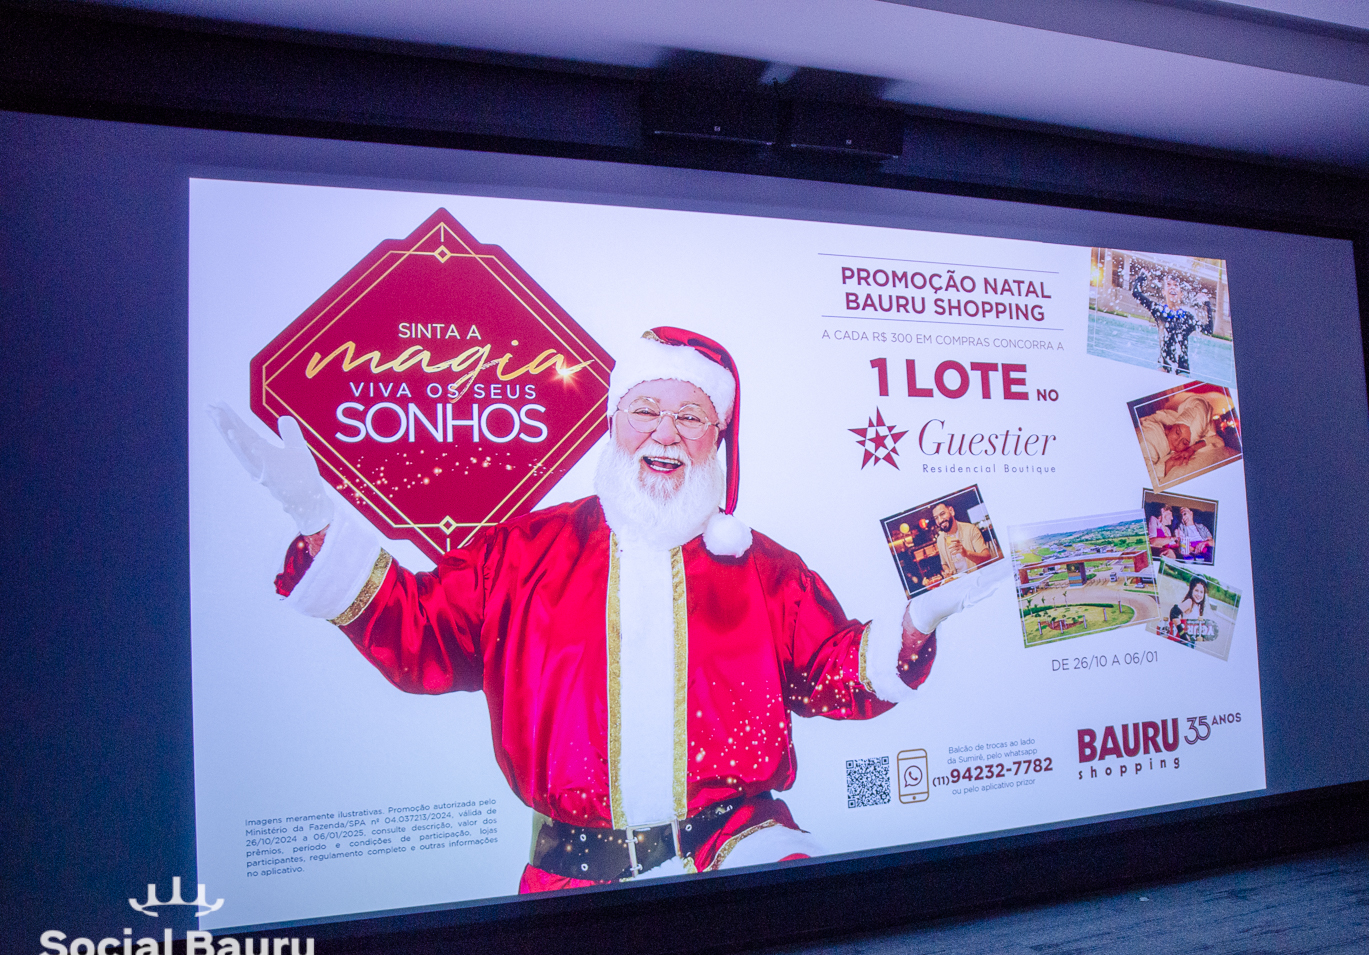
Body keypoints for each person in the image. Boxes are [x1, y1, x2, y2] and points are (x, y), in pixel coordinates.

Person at [209, 327, 1003, 891]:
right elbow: (424, 634)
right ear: (614, 424)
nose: (665, 433)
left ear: (717, 440)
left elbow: (832, 675)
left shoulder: (759, 567)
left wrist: (918, 621)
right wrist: (318, 518)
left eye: (690, 416)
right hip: (575, 874)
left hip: (740, 848)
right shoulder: (524, 553)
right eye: (644, 411)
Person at [1131, 267, 1213, 376]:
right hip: (1163, 365)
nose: (1172, 287)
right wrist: (1141, 277)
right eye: (1168, 285)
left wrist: (1207, 304)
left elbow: (1208, 330)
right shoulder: (1159, 311)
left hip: (1182, 368)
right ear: (1164, 292)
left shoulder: (1187, 317)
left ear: (1181, 294)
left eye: (1176, 285)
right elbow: (1136, 293)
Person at [931, 503, 993, 578]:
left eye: (942, 514)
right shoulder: (940, 540)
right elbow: (944, 564)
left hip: (978, 577)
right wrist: (947, 571)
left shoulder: (970, 529)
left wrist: (966, 553)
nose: (940, 520)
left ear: (951, 511)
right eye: (936, 518)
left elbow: (987, 558)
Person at [1165, 576, 1209, 646]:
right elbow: (1173, 613)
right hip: (1182, 641)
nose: (1199, 594)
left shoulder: (1198, 605)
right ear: (1192, 590)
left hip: (1190, 640)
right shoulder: (1189, 602)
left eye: (1201, 592)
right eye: (1196, 590)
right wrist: (1182, 634)